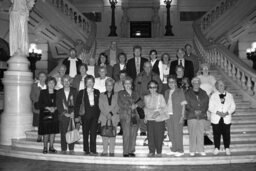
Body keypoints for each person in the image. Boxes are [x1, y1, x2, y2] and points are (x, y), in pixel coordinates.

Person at [134, 61, 162, 136]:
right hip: (141, 99)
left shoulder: (155, 76)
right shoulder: (139, 76)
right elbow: (136, 89)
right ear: (143, 67)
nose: (147, 68)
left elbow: (159, 87)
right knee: (142, 114)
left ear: (151, 67)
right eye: (145, 67)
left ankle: (151, 130)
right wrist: (139, 100)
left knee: (152, 114)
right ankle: (143, 130)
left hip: (152, 99)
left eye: (149, 67)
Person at [75, 75, 100, 155]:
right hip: (85, 116)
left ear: (93, 83)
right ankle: (86, 149)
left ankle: (93, 150)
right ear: (85, 83)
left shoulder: (97, 91)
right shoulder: (81, 92)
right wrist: (76, 116)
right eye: (88, 82)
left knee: (93, 133)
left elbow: (99, 104)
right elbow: (77, 105)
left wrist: (100, 116)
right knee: (85, 133)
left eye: (91, 81)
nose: (89, 83)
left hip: (95, 116)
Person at [209, 80, 236, 156]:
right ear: (217, 87)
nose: (221, 86)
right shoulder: (213, 95)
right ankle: (216, 148)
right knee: (216, 134)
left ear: (225, 86)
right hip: (216, 118)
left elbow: (233, 107)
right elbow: (210, 107)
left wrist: (227, 112)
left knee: (226, 134)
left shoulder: (230, 95)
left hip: (226, 117)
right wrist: (218, 112)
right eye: (220, 85)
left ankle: (227, 148)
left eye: (222, 85)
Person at [118, 76, 142, 157]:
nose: (127, 85)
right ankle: (125, 152)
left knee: (133, 134)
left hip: (135, 116)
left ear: (132, 84)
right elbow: (120, 104)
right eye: (126, 83)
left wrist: (137, 105)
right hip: (125, 116)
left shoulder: (136, 93)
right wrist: (130, 106)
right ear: (123, 85)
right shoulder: (121, 93)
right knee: (126, 134)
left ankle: (131, 150)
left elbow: (142, 102)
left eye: (129, 83)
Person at [185, 77, 209, 156]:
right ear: (192, 84)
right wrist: (194, 111)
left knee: (200, 133)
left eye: (197, 82)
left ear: (199, 83)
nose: (196, 84)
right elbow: (186, 104)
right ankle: (192, 150)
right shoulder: (188, 93)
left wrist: (201, 111)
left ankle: (201, 149)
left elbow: (206, 104)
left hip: (202, 116)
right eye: (194, 82)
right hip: (192, 115)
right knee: (192, 134)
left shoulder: (204, 93)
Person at [164, 75, 187, 157]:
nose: (171, 84)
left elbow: (183, 105)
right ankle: (173, 149)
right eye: (169, 82)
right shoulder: (166, 92)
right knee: (170, 133)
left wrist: (182, 116)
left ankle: (180, 150)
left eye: (172, 82)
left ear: (176, 83)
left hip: (177, 115)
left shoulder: (180, 91)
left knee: (178, 133)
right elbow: (165, 105)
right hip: (168, 115)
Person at [144, 80, 168, 157]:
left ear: (157, 87)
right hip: (150, 119)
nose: (152, 89)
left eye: (154, 87)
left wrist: (158, 113)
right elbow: (146, 108)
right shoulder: (146, 97)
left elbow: (164, 108)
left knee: (159, 136)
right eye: (150, 87)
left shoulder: (160, 96)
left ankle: (159, 151)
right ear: (148, 88)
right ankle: (151, 151)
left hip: (159, 118)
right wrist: (145, 116)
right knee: (150, 136)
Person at [56, 75, 77, 154]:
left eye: (68, 80)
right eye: (64, 81)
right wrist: (65, 113)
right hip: (63, 116)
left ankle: (71, 148)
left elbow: (77, 103)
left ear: (70, 81)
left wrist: (74, 112)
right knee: (63, 132)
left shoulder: (74, 91)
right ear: (62, 82)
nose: (66, 82)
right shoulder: (59, 92)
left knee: (71, 132)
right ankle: (63, 148)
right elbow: (58, 104)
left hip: (72, 115)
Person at [98, 78, 119, 156]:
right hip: (104, 117)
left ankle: (112, 151)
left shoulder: (117, 95)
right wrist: (107, 114)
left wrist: (111, 113)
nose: (109, 87)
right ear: (105, 86)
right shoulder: (101, 95)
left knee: (113, 134)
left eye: (111, 85)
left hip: (114, 117)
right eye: (107, 85)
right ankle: (105, 151)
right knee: (105, 134)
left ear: (113, 86)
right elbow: (100, 106)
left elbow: (118, 106)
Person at [38, 76, 59, 154]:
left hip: (54, 115)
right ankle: (45, 147)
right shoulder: (43, 92)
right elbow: (40, 103)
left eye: (53, 82)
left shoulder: (57, 92)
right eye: (50, 82)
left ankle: (51, 147)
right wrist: (48, 108)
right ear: (47, 83)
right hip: (45, 115)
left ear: (55, 84)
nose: (51, 84)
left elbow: (59, 103)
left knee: (52, 132)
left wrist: (55, 108)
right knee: (46, 132)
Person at [30, 71, 47, 142]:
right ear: (38, 77)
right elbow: (32, 96)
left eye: (43, 76)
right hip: (38, 107)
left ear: (46, 77)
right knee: (40, 123)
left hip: (47, 107)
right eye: (40, 76)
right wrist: (38, 102)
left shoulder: (48, 85)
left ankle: (46, 136)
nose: (42, 77)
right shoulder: (34, 85)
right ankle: (39, 136)